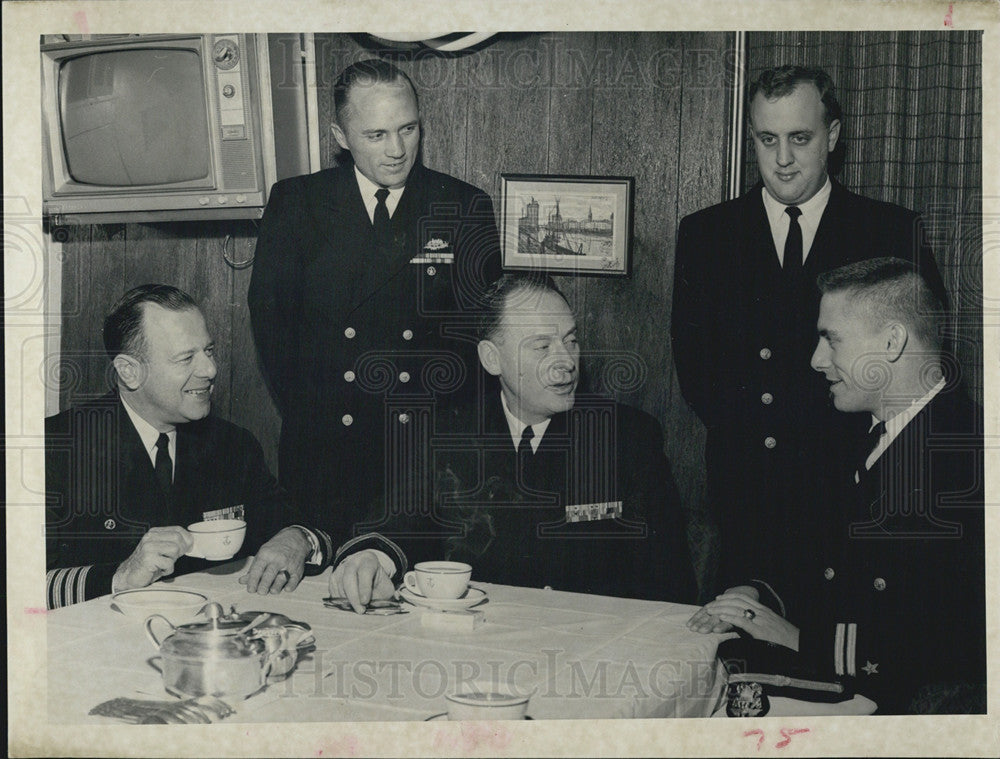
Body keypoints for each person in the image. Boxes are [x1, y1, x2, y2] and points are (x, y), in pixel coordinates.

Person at [670, 64, 947, 590]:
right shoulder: (707, 234)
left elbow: (924, 373)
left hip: (855, 490)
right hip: (749, 495)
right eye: (766, 139)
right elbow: (696, 369)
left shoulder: (889, 230)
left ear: (832, 136)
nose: (782, 159)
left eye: (800, 138)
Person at [687, 258, 985, 714]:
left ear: (892, 342)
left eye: (832, 339)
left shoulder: (968, 463)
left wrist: (796, 637)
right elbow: (818, 558)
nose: (816, 360)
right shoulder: (852, 432)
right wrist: (756, 594)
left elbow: (953, 649)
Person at [328, 274, 697, 610]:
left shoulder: (626, 436)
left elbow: (669, 583)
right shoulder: (447, 434)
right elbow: (395, 520)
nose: (566, 360)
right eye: (542, 346)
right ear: (492, 359)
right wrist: (373, 557)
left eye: (571, 340)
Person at [248, 58, 502, 536]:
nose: (398, 150)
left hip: (423, 458)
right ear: (341, 136)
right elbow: (272, 329)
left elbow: (480, 340)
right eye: (377, 135)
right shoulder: (297, 203)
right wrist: (317, 412)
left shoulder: (463, 206)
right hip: (326, 454)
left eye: (408, 129)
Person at [45, 285, 336, 609]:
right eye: (186, 358)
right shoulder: (54, 449)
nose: (209, 370)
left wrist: (297, 539)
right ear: (129, 371)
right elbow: (18, 587)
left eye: (208, 351)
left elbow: (300, 527)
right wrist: (120, 576)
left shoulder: (232, 446)